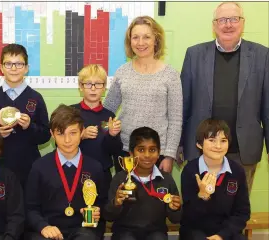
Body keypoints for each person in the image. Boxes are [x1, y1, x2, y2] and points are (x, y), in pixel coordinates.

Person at [180, 2, 269, 191]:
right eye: (222, 20)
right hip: (201, 150)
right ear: (214, 25)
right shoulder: (194, 54)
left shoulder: (262, 55)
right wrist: (178, 146)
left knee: (236, 209)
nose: (228, 25)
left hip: (242, 151)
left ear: (243, 23)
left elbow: (267, 107)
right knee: (201, 207)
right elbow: (183, 104)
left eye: (234, 19)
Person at [103, 16, 182, 173]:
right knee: (126, 197)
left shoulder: (170, 75)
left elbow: (175, 119)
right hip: (126, 151)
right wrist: (107, 131)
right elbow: (107, 110)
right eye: (135, 37)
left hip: (157, 153)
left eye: (146, 37)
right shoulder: (122, 72)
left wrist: (169, 156)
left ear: (156, 40)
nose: (140, 43)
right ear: (129, 41)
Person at [25, 104, 107, 240]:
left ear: (82, 132)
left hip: (83, 229)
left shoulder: (95, 167)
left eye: (73, 133)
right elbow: (30, 208)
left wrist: (98, 211)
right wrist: (43, 226)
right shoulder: (39, 166)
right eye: (60, 133)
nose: (67, 140)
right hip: (49, 229)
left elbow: (103, 203)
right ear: (52, 134)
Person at [0, 43, 50, 185]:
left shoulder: (36, 98)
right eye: (8, 64)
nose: (13, 68)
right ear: (1, 68)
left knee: (27, 204)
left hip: (29, 167)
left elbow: (46, 135)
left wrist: (29, 126)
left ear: (26, 68)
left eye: (19, 64)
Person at [103, 127, 181, 240]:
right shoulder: (120, 179)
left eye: (152, 150)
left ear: (159, 153)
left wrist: (175, 208)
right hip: (124, 232)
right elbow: (108, 216)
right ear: (131, 153)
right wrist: (116, 203)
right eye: (141, 150)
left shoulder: (166, 179)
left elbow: (176, 219)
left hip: (156, 232)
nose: (147, 155)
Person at [180, 119, 250, 240]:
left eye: (223, 141)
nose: (218, 146)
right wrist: (202, 196)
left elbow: (242, 212)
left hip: (226, 231)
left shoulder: (237, 171)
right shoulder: (190, 170)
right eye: (212, 140)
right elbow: (187, 217)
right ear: (199, 144)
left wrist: (222, 235)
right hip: (196, 230)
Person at [71, 64, 123, 189]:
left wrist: (112, 135)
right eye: (88, 84)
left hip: (103, 174)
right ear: (80, 86)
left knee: (103, 207)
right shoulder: (71, 112)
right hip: (75, 172)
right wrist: (80, 136)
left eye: (98, 84)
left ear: (104, 87)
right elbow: (59, 144)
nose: (93, 89)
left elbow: (115, 151)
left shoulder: (109, 116)